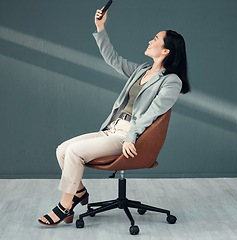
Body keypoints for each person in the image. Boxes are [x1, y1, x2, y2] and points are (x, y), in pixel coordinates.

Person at [38, 8, 190, 226]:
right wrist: (101, 27)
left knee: (74, 152)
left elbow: (153, 113)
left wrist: (131, 135)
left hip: (130, 137)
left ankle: (64, 205)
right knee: (62, 150)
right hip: (112, 129)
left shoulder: (171, 81)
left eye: (155, 39)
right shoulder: (142, 70)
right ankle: (79, 193)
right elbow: (113, 59)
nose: (150, 40)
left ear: (166, 51)